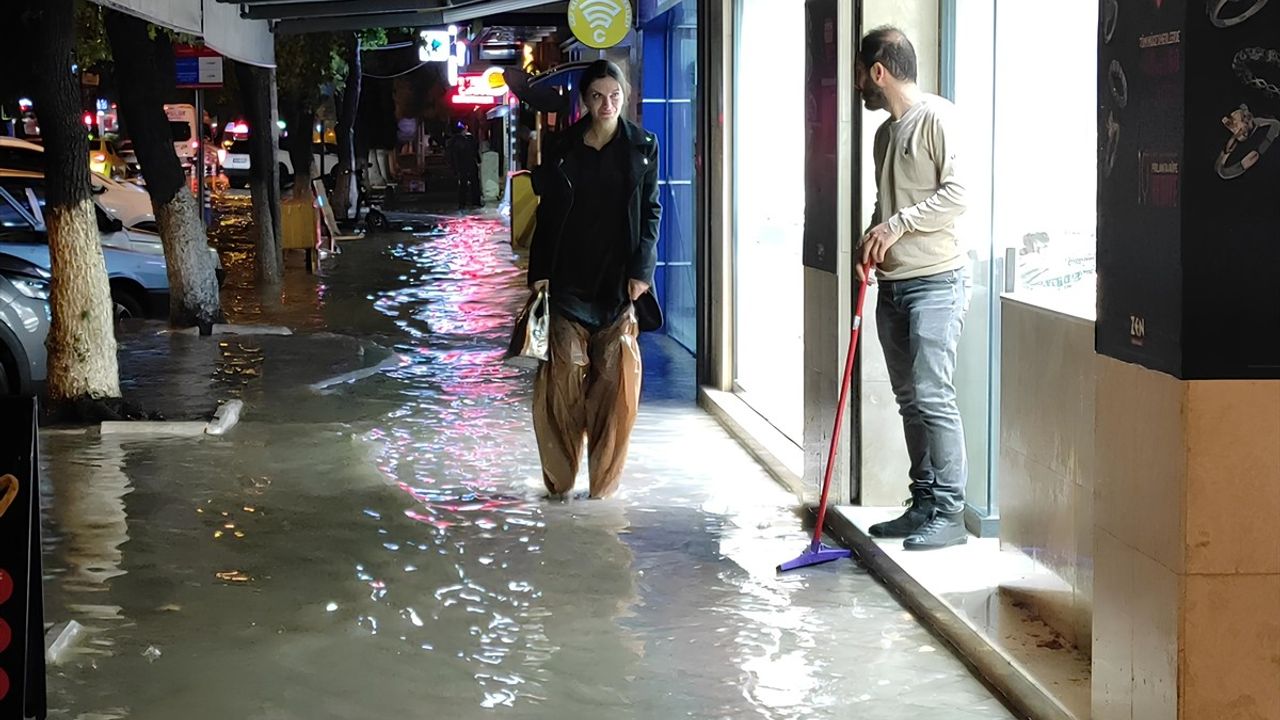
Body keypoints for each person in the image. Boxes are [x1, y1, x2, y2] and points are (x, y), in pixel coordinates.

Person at [856, 27, 970, 550]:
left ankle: (950, 512)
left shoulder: (939, 118)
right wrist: (871, 238)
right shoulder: (884, 135)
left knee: (933, 395)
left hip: (937, 283)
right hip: (893, 285)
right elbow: (887, 206)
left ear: (878, 72)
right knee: (910, 399)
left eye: (861, 75)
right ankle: (923, 501)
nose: (859, 86)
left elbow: (957, 195)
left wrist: (896, 226)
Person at [526, 59, 660, 499]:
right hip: (568, 281)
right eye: (598, 96)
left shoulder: (642, 146)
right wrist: (540, 274)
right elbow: (546, 214)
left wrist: (642, 270)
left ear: (625, 97)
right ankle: (560, 486)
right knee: (561, 382)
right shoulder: (563, 146)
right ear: (585, 100)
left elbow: (651, 211)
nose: (607, 104)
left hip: (618, 285)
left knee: (616, 388)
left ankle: (602, 492)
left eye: (615, 96)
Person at [446, 122, 481, 209]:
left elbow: (453, 155)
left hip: (463, 165)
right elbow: (474, 150)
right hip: (468, 164)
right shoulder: (468, 139)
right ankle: (474, 202)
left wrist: (454, 168)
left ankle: (463, 203)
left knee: (464, 184)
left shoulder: (455, 140)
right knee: (472, 184)